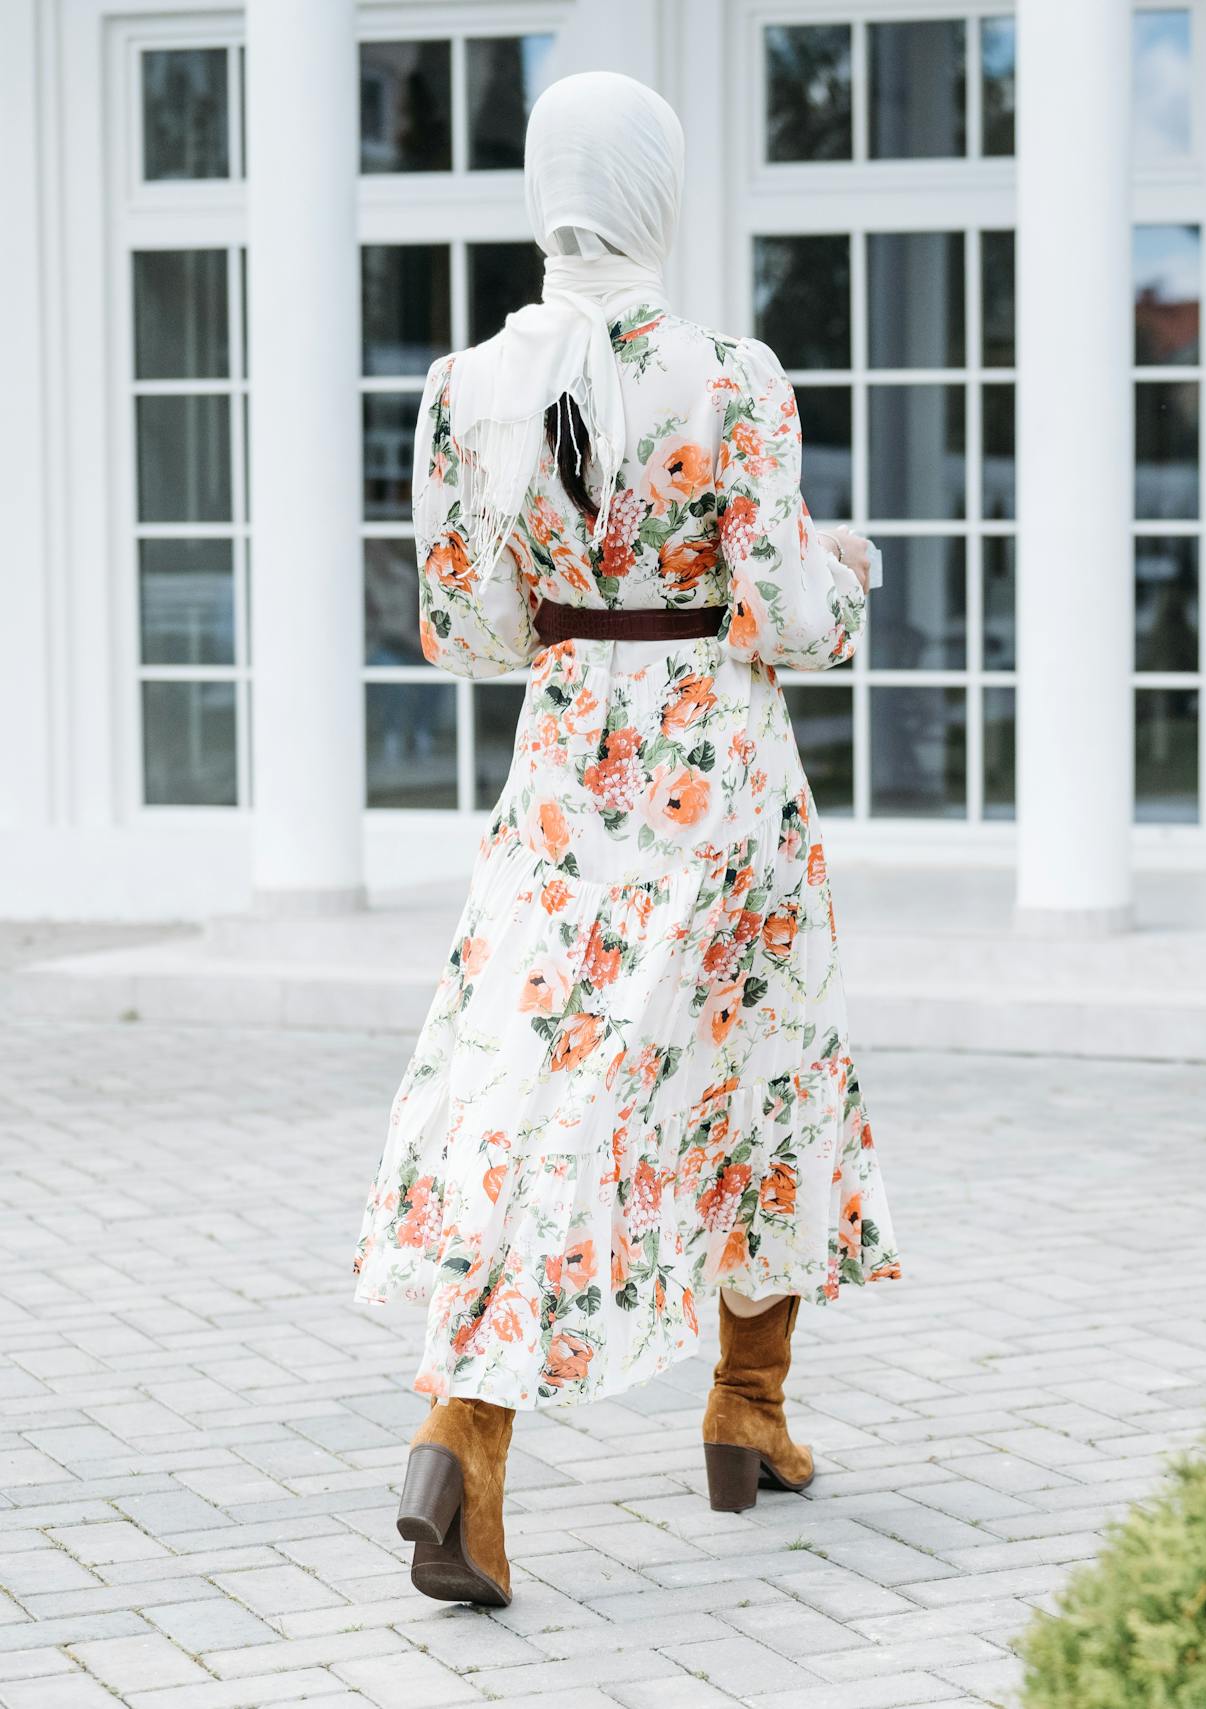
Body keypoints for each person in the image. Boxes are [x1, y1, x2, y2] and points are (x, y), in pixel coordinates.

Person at [349, 72, 900, 1609]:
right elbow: (789, 611)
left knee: (544, 1072)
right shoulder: (734, 379)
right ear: (660, 190)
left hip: (567, 761)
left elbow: (464, 630)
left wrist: (579, 598)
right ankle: (702, 1411)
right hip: (714, 769)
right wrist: (851, 570)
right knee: (763, 1067)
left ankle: (564, 1421)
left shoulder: (466, 387)